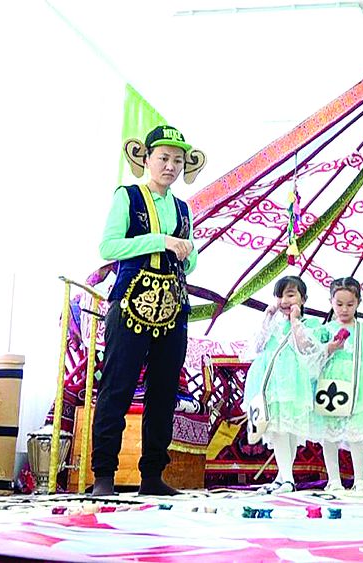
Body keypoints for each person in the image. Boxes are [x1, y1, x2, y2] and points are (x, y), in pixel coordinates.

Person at [91, 125, 205, 496]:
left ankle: (153, 476)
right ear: (146, 158)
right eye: (164, 158)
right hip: (130, 303)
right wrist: (161, 241)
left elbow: (191, 261)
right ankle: (104, 476)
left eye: (178, 160)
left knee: (164, 392)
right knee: (117, 387)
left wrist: (187, 254)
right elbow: (108, 247)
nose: (170, 166)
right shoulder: (127, 196)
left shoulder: (183, 208)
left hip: (173, 306)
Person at [243, 276, 324, 494]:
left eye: (290, 295)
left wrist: (296, 320)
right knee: (278, 429)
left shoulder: (311, 324)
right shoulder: (274, 324)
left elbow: (306, 348)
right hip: (270, 383)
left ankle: (286, 479)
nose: (284, 301)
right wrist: (267, 317)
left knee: (288, 430)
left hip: (293, 382)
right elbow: (257, 347)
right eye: (279, 296)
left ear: (303, 299)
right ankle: (284, 478)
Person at [312, 277, 363, 492]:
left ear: (358, 303)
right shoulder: (325, 330)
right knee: (329, 433)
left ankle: (360, 480)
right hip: (330, 382)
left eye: (350, 304)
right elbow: (312, 357)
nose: (344, 309)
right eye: (339, 304)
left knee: (358, 432)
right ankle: (334, 480)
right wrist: (329, 348)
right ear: (331, 302)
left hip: (359, 384)